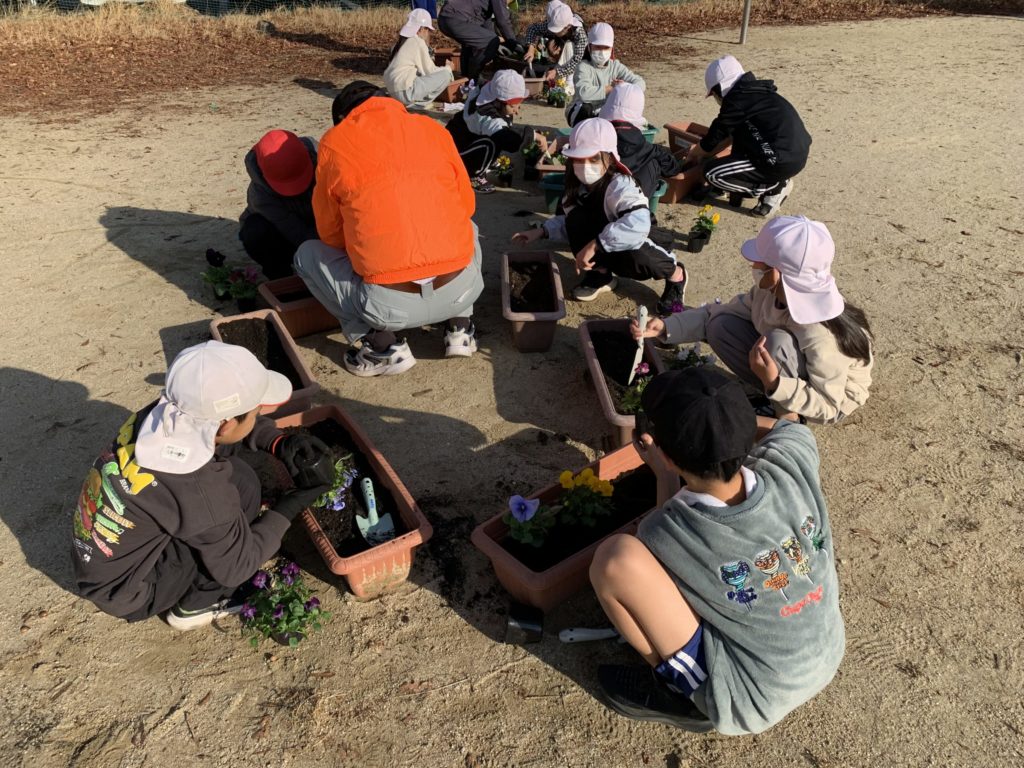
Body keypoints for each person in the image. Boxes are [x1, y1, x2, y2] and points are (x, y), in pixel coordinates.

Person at [590, 367, 845, 734]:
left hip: (747, 699)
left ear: (666, 455)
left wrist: (664, 477)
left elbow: (660, 560)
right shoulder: (792, 460)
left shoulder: (669, 529)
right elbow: (788, 424)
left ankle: (681, 693)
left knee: (615, 561)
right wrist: (766, 385)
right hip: (826, 654)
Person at [70, 341, 331, 630]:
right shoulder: (199, 488)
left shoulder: (163, 413)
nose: (258, 416)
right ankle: (195, 607)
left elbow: (221, 430)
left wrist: (277, 441)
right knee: (229, 526)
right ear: (227, 424)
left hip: (101, 561)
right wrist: (292, 503)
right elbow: (238, 566)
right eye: (256, 412)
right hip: (131, 591)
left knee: (242, 481)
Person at [294, 82, 484, 377]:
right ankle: (461, 328)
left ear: (343, 118)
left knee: (306, 255)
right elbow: (466, 205)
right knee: (467, 225)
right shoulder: (433, 129)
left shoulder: (335, 142)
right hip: (462, 289)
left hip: (388, 307)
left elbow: (330, 234)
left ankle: (381, 346)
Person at [632, 216, 873, 423]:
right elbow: (716, 314)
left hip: (830, 401)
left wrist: (775, 383)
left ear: (776, 273)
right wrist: (666, 326)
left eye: (761, 261)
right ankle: (774, 394)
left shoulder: (821, 332)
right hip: (790, 373)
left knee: (777, 343)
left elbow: (830, 404)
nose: (753, 264)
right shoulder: (769, 292)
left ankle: (788, 419)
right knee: (720, 325)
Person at [511, 118, 685, 313]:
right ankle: (601, 274)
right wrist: (542, 231)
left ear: (609, 158)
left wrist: (596, 245)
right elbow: (569, 221)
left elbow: (637, 225)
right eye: (579, 159)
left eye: (593, 159)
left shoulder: (621, 185)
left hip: (638, 238)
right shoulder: (576, 186)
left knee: (638, 255)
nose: (585, 166)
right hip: (605, 238)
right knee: (576, 219)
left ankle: (676, 275)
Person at [685, 55, 811, 217]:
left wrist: (694, 153)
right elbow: (727, 137)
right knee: (740, 134)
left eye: (714, 94)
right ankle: (737, 186)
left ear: (719, 89)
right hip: (794, 153)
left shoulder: (736, 102)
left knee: (712, 173)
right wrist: (706, 153)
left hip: (779, 162)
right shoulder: (755, 93)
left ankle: (775, 187)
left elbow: (712, 140)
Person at [446, 69, 548, 193]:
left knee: (504, 123)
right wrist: (533, 135)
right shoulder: (485, 115)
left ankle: (486, 162)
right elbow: (508, 140)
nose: (517, 111)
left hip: (464, 138)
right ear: (499, 102)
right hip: (457, 151)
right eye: (513, 105)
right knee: (491, 143)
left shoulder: (488, 92)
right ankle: (473, 174)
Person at [238, 129, 318, 279]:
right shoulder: (260, 195)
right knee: (255, 232)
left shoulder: (324, 158)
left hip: (323, 226)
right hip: (285, 234)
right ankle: (280, 276)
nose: (296, 191)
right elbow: (296, 232)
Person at [599, 82, 682, 198]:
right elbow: (672, 169)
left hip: (594, 196)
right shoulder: (643, 146)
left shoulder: (595, 134)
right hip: (628, 202)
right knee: (652, 163)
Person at [565, 23, 645, 127]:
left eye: (606, 48)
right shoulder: (583, 67)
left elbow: (640, 83)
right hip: (580, 112)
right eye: (598, 47)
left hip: (603, 112)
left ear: (611, 49)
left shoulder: (615, 66)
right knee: (586, 107)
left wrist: (624, 87)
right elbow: (584, 93)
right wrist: (610, 88)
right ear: (589, 47)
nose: (602, 52)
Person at [384, 8, 455, 107]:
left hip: (393, 91)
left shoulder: (400, 43)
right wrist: (448, 68)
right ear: (421, 29)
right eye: (428, 30)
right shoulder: (417, 41)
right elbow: (430, 71)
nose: (428, 33)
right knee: (445, 75)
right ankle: (418, 104)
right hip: (405, 93)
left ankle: (413, 101)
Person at [437, 0, 522, 82]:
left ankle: (466, 80)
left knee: (470, 45)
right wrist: (513, 44)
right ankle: (474, 78)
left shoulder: (484, 6)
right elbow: (503, 21)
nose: (505, 5)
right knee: (491, 42)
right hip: (455, 18)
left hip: (446, 17)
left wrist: (498, 40)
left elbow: (487, 27)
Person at [523, 2, 588, 92]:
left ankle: (569, 82)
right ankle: (559, 74)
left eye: (557, 30)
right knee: (552, 46)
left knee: (569, 45)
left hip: (579, 59)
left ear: (567, 27)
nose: (554, 32)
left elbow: (577, 61)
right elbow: (533, 28)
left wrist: (557, 71)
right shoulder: (557, 22)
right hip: (563, 46)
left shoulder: (580, 34)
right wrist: (531, 48)